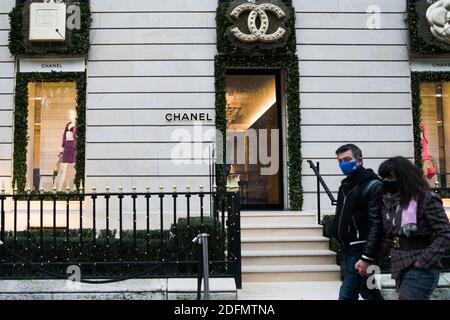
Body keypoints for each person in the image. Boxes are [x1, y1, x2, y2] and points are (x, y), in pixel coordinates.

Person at [378, 156, 450, 300]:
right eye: (383, 178)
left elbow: (445, 233)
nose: (386, 182)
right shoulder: (390, 202)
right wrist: (373, 258)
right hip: (400, 263)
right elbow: (389, 235)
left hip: (422, 264)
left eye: (391, 177)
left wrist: (423, 260)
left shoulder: (426, 199)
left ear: (404, 177)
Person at [331, 144, 384, 300]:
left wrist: (367, 257)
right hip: (347, 249)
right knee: (369, 291)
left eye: (347, 159)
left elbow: (377, 224)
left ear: (360, 161)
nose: (343, 164)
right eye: (340, 161)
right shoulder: (344, 187)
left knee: (347, 294)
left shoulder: (373, 185)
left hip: (362, 250)